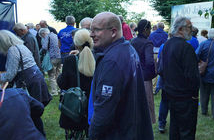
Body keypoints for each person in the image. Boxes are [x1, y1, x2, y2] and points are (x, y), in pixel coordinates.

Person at [89, 12, 153, 140]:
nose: (91, 34)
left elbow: (104, 109)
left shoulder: (112, 61)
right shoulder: (128, 49)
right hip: (130, 128)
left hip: (118, 132)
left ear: (113, 32)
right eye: (91, 30)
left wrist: (93, 135)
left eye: (96, 30)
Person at [0, 30, 52, 136]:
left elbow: (10, 74)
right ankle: (39, 133)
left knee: (31, 112)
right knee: (35, 110)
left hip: (29, 81)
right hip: (35, 77)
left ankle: (37, 134)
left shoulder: (12, 50)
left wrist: (1, 76)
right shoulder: (21, 46)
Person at [159, 16, 200, 140]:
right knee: (186, 131)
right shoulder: (186, 48)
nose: (192, 30)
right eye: (189, 27)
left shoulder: (167, 45)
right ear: (181, 29)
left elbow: (160, 70)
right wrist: (194, 94)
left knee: (175, 128)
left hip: (172, 94)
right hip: (185, 98)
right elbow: (192, 76)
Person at [57, 29, 95, 139]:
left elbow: (62, 84)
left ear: (76, 44)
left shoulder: (70, 60)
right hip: (91, 108)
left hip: (75, 108)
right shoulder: (98, 57)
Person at [131, 19, 157, 124]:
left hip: (133, 75)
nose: (150, 31)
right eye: (150, 29)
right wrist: (155, 70)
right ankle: (146, 124)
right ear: (145, 29)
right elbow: (150, 61)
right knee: (147, 102)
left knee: (135, 101)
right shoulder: (147, 43)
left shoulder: (133, 41)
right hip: (145, 77)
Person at [39, 28, 61, 96]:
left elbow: (44, 47)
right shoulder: (55, 35)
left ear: (43, 33)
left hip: (52, 57)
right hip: (59, 56)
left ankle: (54, 91)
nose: (42, 37)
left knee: (51, 75)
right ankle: (59, 89)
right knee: (58, 74)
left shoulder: (47, 37)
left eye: (41, 36)